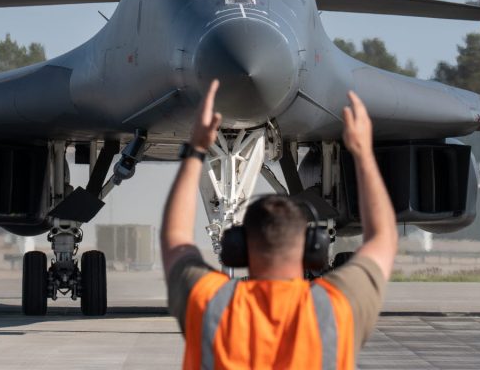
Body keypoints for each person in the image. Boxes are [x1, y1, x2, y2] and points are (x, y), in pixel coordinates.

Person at [161, 80, 397, 369]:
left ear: (237, 247)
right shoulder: (336, 308)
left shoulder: (209, 305)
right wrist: (363, 153)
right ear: (313, 248)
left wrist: (196, 149)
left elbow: (175, 240)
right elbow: (383, 239)